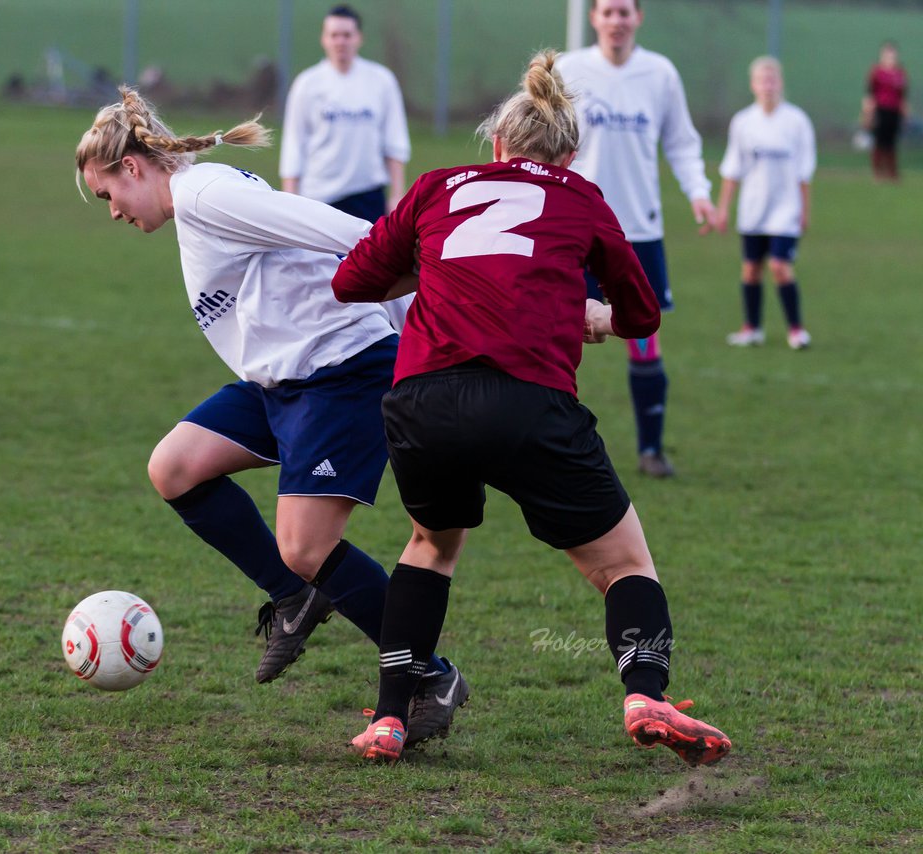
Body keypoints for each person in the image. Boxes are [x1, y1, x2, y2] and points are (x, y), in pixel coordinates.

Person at [332, 50, 731, 768]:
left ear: (496, 145)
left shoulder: (434, 188)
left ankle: (390, 717)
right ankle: (644, 691)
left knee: (430, 545)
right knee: (624, 563)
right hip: (528, 403)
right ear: (572, 155)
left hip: (423, 401)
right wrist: (597, 317)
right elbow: (643, 313)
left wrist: (438, 270)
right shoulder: (580, 198)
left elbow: (351, 281)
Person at [74, 87, 467, 747]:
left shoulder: (207, 195)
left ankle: (432, 675)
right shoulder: (196, 200)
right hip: (278, 382)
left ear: (133, 168)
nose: (111, 211)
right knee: (175, 468)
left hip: (339, 372)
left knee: (308, 545)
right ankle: (293, 596)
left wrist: (420, 300)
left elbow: (346, 234)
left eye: (108, 194)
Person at [556, 0, 720, 478]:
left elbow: (682, 142)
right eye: (608, 11)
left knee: (643, 336)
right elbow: (542, 136)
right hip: (573, 228)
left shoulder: (660, 74)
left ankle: (651, 450)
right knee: (558, 337)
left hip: (637, 231)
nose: (616, 20)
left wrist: (700, 194)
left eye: (625, 11)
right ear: (594, 19)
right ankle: (551, 449)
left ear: (638, 18)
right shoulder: (569, 70)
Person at [717, 57, 816, 351]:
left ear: (780, 83)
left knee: (780, 266)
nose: (768, 85)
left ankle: (796, 330)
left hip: (786, 210)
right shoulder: (743, 122)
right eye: (762, 80)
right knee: (750, 270)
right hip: (753, 210)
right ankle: (752, 329)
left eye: (773, 79)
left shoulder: (797, 121)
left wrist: (805, 211)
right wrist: (723, 208)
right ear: (753, 85)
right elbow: (732, 169)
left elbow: (804, 172)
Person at [279, 5, 411, 223]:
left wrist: (397, 194)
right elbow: (294, 145)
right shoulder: (307, 84)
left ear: (359, 38)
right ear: (324, 39)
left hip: (367, 195)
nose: (340, 42)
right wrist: (291, 200)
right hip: (319, 197)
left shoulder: (381, 80)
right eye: (334, 35)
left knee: (369, 256)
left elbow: (395, 141)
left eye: (347, 35)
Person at [861, 41, 909, 182]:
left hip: (894, 110)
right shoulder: (876, 72)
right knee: (879, 141)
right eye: (887, 54)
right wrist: (867, 112)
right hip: (880, 109)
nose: (890, 57)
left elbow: (903, 94)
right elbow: (870, 92)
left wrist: (905, 112)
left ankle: (892, 172)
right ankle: (878, 172)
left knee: (891, 141)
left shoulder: (900, 73)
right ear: (882, 55)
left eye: (892, 54)